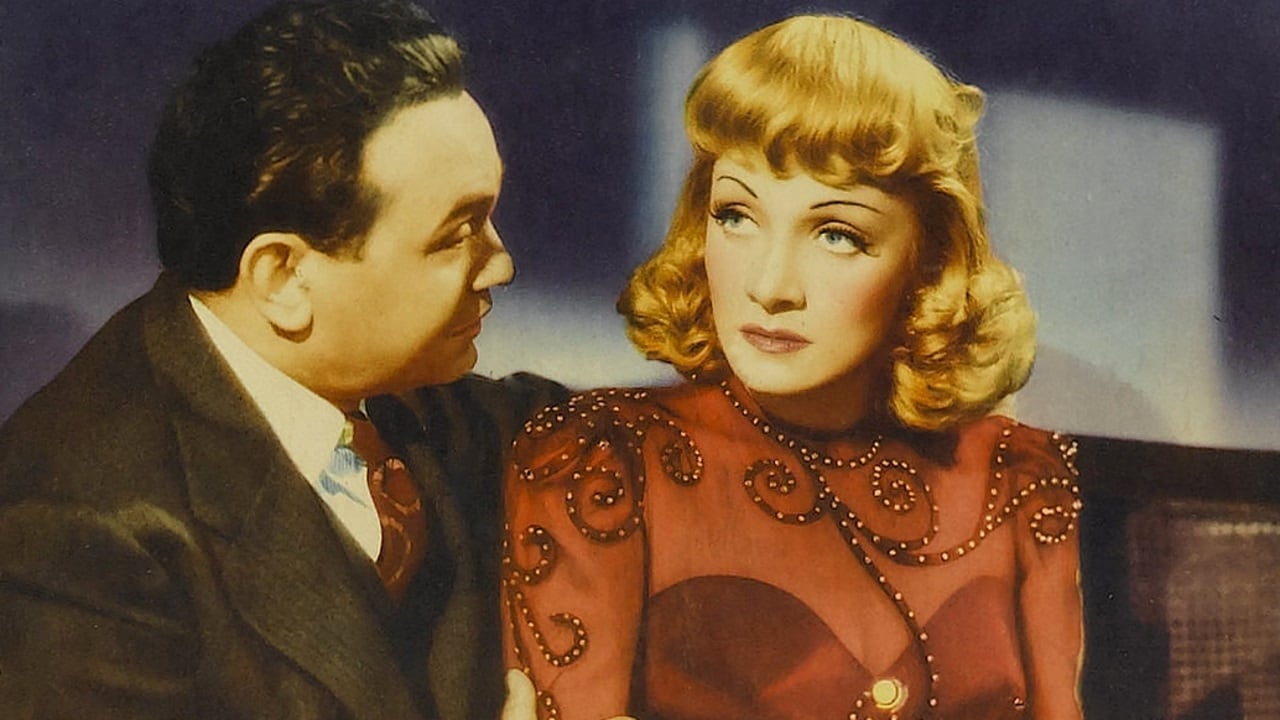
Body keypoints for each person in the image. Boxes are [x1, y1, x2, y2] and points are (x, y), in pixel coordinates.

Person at [501, 14, 1083, 720]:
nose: (770, 285)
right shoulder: (601, 458)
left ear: (929, 260)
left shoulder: (1021, 479)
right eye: (736, 216)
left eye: (837, 234)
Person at [0, 1, 564, 718]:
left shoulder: (407, 392)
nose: (501, 264)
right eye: (457, 234)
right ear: (284, 278)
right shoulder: (75, 537)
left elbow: (604, 428)